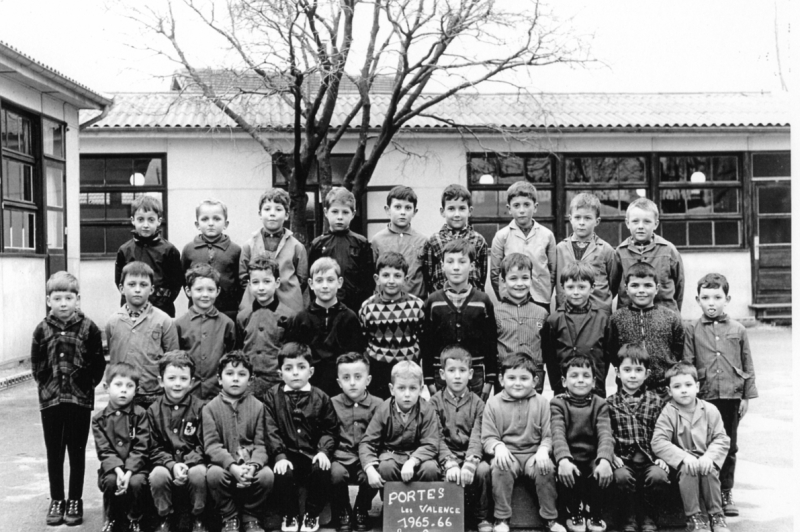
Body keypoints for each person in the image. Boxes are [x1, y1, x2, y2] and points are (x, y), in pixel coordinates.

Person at [32, 271, 106, 526]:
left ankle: (75, 499)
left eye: (68, 297)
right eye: (57, 297)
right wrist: (46, 384)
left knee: (76, 452)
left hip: (79, 400)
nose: (63, 303)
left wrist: (86, 384)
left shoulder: (89, 328)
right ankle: (57, 499)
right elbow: (37, 364)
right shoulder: (42, 329)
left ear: (78, 299)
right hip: (51, 401)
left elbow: (97, 363)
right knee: (54, 452)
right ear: (48, 300)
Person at [683, 273, 757, 517]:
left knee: (729, 446)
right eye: (705, 297)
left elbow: (747, 363)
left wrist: (746, 396)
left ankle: (726, 491)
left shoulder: (738, 329)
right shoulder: (691, 329)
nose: (711, 302)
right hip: (704, 398)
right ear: (698, 299)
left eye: (717, 297)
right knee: (702, 446)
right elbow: (688, 363)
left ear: (728, 299)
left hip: (730, 396)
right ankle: (707, 494)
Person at [481, 353, 564, 532]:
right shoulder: (493, 404)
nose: (517, 383)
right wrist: (498, 446)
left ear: (535, 381)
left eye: (524, 378)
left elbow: (549, 435)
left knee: (546, 469)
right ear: (501, 380)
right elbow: (488, 437)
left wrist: (543, 450)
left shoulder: (542, 403)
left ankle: (550, 519)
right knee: (500, 467)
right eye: (511, 378)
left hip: (533, 454)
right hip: (508, 454)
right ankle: (502, 518)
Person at [264, 343, 339, 532]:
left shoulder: (321, 398)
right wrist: (279, 455)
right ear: (280, 374)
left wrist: (323, 451)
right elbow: (270, 428)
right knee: (282, 471)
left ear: (311, 371)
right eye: (288, 369)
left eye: (301, 367)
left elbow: (329, 429)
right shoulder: (272, 397)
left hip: (311, 455)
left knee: (322, 468)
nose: (295, 373)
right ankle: (289, 515)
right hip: (287, 455)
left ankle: (312, 514)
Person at [651, 362, 731, 532]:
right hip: (681, 463)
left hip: (705, 458)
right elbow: (659, 441)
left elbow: (721, 438)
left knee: (709, 470)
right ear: (669, 391)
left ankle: (717, 516)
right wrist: (683, 457)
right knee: (689, 468)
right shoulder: (669, 412)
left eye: (688, 385)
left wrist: (709, 456)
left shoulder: (710, 410)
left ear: (697, 386)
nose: (684, 390)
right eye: (677, 386)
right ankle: (695, 518)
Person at [203, 351, 274, 532]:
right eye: (229, 374)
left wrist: (254, 465)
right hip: (225, 466)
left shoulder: (258, 407)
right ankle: (229, 516)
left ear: (250, 381)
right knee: (214, 475)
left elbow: (261, 444)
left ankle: (251, 516)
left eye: (242, 375)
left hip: (250, 465)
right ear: (219, 379)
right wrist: (232, 466)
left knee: (266, 476)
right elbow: (212, 445)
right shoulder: (210, 408)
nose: (235, 379)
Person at [422, 239, 497, 400]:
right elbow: (426, 345)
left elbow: (491, 344)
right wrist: (429, 382)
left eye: (462, 262)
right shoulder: (433, 301)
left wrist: (489, 381)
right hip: (441, 374)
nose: (456, 267)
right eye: (450, 261)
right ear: (442, 265)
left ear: (472, 266)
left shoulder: (483, 301)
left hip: (474, 374)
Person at [606, 344, 669, 532]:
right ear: (617, 372)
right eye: (627, 370)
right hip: (623, 460)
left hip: (650, 459)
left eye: (638, 370)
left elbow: (664, 433)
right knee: (621, 477)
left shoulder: (656, 401)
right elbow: (606, 434)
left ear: (647, 373)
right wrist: (612, 456)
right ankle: (629, 516)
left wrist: (662, 458)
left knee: (658, 476)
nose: (632, 375)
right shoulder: (609, 403)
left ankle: (648, 515)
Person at [429, 346, 492, 532]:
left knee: (483, 470)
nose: (457, 376)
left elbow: (477, 434)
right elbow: (436, 435)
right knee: (431, 469)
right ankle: (443, 516)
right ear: (442, 374)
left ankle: (482, 517)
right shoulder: (434, 402)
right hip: (445, 455)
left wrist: (471, 461)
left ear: (471, 374)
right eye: (451, 370)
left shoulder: (478, 403)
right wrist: (449, 462)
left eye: (462, 371)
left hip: (469, 454)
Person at [550, 355, 615, 532]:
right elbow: (557, 433)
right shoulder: (558, 403)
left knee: (601, 469)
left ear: (594, 382)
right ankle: (574, 512)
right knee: (567, 472)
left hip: (591, 458)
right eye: (574, 375)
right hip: (570, 457)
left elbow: (605, 434)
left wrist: (604, 459)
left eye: (586, 376)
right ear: (564, 381)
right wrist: (563, 459)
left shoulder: (600, 404)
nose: (580, 380)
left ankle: (595, 511)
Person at [284, 257, 363, 397]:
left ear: (340, 283)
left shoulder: (350, 318)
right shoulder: (301, 319)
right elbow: (294, 355)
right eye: (319, 280)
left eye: (330, 280)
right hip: (310, 387)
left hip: (341, 387)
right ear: (311, 284)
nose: (325, 286)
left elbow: (356, 355)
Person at [147, 352, 208, 532]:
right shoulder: (153, 410)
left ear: (191, 382)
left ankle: (198, 516)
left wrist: (187, 462)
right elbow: (153, 447)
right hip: (165, 463)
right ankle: (165, 516)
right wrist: (172, 465)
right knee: (157, 476)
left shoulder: (200, 408)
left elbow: (204, 443)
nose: (177, 383)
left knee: (199, 474)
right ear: (161, 381)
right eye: (171, 378)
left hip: (194, 462)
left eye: (183, 378)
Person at [106, 261, 179, 409]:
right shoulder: (112, 322)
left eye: (143, 285)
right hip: (123, 392)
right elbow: (113, 355)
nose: (137, 290)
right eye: (132, 284)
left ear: (152, 289)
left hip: (153, 393)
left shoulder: (164, 320)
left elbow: (172, 357)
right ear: (121, 288)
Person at [359, 361, 441, 491]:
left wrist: (412, 461)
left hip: (419, 457)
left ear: (420, 389)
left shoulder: (427, 410)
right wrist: (369, 468)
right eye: (401, 388)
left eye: (413, 388)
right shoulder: (384, 409)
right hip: (391, 456)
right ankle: (392, 509)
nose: (407, 394)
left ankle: (423, 507)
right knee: (385, 468)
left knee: (430, 468)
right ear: (392, 389)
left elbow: (431, 443)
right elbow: (368, 442)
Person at [609, 262, 684, 396]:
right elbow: (612, 351)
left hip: (663, 390)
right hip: (628, 389)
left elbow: (677, 349)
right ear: (626, 289)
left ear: (657, 288)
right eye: (635, 285)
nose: (641, 290)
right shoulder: (617, 318)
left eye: (648, 285)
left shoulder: (670, 317)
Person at [359, 251, 425, 399]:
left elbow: (422, 337)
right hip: (378, 369)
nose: (391, 280)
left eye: (397, 276)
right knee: (381, 407)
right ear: (377, 278)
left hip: (408, 367)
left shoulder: (417, 306)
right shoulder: (368, 307)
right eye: (386, 275)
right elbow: (363, 339)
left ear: (406, 279)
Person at [92, 363, 149, 532]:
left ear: (136, 390)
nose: (123, 390)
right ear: (106, 387)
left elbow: (142, 447)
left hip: (137, 468)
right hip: (112, 469)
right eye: (118, 385)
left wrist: (129, 471)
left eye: (129, 386)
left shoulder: (140, 415)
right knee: (110, 482)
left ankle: (134, 518)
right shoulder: (99, 420)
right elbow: (104, 450)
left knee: (137, 482)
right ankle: (112, 518)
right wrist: (118, 471)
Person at [330, 353, 383, 532]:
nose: (352, 382)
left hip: (366, 460)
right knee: (334, 474)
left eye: (358, 377)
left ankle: (362, 506)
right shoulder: (332, 404)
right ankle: (343, 508)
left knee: (376, 474)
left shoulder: (378, 404)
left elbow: (381, 436)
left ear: (367, 380)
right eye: (346, 378)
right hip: (340, 457)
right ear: (339, 382)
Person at [543, 262, 612, 397]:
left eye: (581, 287)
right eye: (570, 287)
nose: (576, 292)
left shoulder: (603, 319)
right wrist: (558, 387)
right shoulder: (554, 320)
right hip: (564, 390)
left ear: (592, 288)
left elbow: (607, 355)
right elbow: (550, 358)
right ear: (562, 288)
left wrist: (599, 382)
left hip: (595, 389)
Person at [490, 181, 556, 312]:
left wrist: (545, 294)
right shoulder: (502, 236)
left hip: (540, 299)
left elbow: (552, 271)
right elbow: (494, 273)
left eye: (526, 205)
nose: (522, 210)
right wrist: (504, 297)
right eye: (516, 205)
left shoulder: (547, 235)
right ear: (509, 209)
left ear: (535, 207)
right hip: (511, 300)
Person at [240, 188, 308, 313]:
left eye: (278, 209)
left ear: (287, 215)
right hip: (256, 308)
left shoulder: (297, 247)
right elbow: (243, 277)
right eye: (267, 209)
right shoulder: (249, 245)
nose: (272, 214)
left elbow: (302, 280)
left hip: (288, 307)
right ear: (260, 213)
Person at [236, 254, 295, 398]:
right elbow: (238, 350)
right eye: (255, 282)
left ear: (277, 282)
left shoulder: (289, 316)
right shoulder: (243, 317)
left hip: (277, 384)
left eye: (267, 281)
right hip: (249, 383)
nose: (261, 288)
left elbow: (292, 354)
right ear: (249, 284)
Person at [114, 195, 183, 317]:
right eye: (140, 219)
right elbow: (119, 280)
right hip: (131, 310)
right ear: (133, 220)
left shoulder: (169, 250)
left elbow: (176, 283)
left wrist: (163, 300)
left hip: (162, 310)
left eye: (151, 220)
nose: (145, 225)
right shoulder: (124, 250)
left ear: (159, 221)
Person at [612, 198, 684, 314]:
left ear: (655, 224)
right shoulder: (620, 252)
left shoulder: (668, 250)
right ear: (627, 223)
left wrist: (673, 315)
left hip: (663, 316)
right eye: (635, 221)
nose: (641, 226)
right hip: (629, 316)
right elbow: (613, 287)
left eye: (647, 221)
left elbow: (679, 286)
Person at [175, 263, 236, 400]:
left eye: (210, 289)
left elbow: (232, 358)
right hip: (189, 394)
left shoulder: (227, 324)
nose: (205, 295)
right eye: (199, 289)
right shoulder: (179, 325)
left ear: (218, 291)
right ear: (188, 291)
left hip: (219, 394)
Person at [308, 187, 375, 312]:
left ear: (353, 214)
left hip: (355, 307)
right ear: (326, 212)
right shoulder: (318, 244)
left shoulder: (361, 243)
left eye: (345, 212)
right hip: (325, 307)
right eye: (335, 212)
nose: (340, 217)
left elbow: (368, 282)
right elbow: (311, 279)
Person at [181, 198, 244, 322]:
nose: (211, 223)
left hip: (228, 311)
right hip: (197, 311)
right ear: (197, 224)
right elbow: (183, 279)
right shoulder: (189, 249)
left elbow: (239, 281)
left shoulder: (235, 250)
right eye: (205, 219)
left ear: (226, 224)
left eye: (216, 219)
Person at [495, 253, 549, 393]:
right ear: (502, 280)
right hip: (506, 375)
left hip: (534, 375)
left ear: (531, 279)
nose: (519, 283)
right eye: (513, 278)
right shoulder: (495, 313)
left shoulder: (541, 313)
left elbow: (547, 348)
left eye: (525, 278)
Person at [555, 193, 617, 313]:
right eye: (577, 217)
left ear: (597, 221)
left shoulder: (606, 249)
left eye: (587, 218)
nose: (582, 222)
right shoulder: (560, 249)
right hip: (567, 312)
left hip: (597, 312)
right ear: (570, 219)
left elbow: (613, 282)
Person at [421, 184, 489, 294]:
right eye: (451, 209)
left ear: (470, 211)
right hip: (441, 301)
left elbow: (482, 277)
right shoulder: (434, 240)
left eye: (462, 208)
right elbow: (428, 277)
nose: (457, 214)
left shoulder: (478, 240)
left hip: (471, 301)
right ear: (442, 211)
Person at [370, 185, 428, 299]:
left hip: (415, 303)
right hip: (384, 304)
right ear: (387, 210)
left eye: (408, 208)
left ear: (414, 212)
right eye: (397, 207)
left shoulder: (423, 241)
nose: (403, 212)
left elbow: (427, 276)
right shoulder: (377, 240)